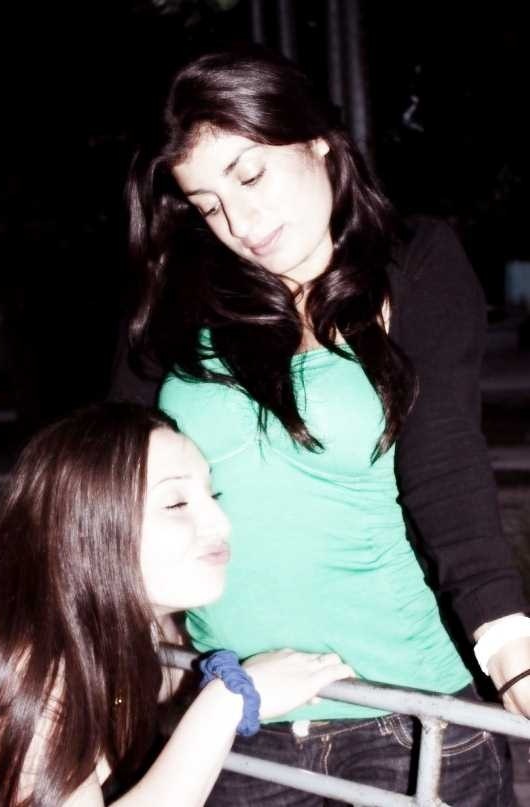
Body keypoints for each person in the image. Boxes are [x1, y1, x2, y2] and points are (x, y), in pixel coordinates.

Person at [111, 45, 530, 805]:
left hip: (405, 716)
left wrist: (509, 642)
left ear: (316, 141)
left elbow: (443, 462)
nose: (240, 222)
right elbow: (112, 473)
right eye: (208, 204)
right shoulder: (179, 293)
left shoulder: (415, 263)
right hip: (235, 715)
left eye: (249, 175)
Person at [0, 401, 352, 806]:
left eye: (213, 495)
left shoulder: (141, 633)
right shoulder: (29, 668)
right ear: (86, 529)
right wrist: (229, 700)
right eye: (176, 504)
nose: (221, 522)